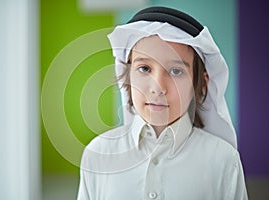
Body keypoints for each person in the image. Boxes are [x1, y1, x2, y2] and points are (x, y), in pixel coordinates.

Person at [77, 6, 248, 200]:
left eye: (176, 71)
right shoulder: (98, 153)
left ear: (200, 84)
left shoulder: (224, 160)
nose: (158, 87)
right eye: (144, 68)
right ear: (127, 77)